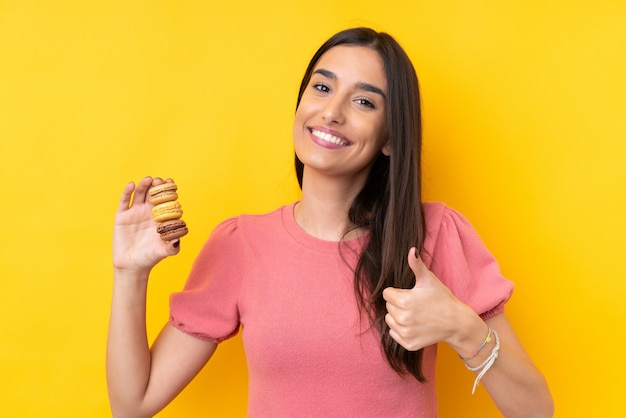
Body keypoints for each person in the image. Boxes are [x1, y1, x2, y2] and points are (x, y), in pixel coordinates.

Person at [107, 27, 553, 417]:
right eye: (322, 88)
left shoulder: (434, 234)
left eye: (362, 101)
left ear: (391, 138)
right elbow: (133, 405)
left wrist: (461, 327)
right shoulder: (241, 244)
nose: (332, 112)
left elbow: (536, 410)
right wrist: (129, 274)